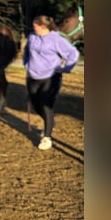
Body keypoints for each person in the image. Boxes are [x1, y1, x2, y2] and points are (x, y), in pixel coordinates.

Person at [23, 15, 80, 150]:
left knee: (46, 105)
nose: (33, 28)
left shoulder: (56, 39)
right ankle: (50, 122)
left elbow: (73, 54)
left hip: (50, 77)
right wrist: (27, 64)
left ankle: (47, 137)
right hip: (32, 76)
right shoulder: (32, 37)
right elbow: (26, 51)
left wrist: (66, 68)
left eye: (35, 26)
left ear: (43, 27)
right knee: (35, 104)